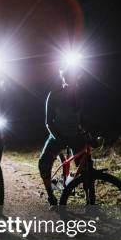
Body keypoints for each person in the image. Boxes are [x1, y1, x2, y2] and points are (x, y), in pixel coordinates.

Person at [38, 63, 85, 206]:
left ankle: (90, 201)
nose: (69, 78)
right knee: (44, 164)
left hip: (76, 135)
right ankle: (51, 196)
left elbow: (86, 117)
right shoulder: (54, 95)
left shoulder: (81, 95)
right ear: (63, 77)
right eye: (66, 75)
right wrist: (58, 137)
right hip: (58, 135)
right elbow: (48, 122)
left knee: (87, 167)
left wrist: (86, 132)